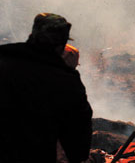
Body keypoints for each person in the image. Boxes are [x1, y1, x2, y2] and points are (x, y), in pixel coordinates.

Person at [0, 13, 93, 163]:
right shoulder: (66, 82)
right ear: (62, 45)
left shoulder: (4, 61)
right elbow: (79, 140)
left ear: (31, 35)